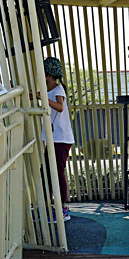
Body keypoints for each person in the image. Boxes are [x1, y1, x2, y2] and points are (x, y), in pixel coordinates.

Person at [44, 57, 75, 219]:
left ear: (48, 75)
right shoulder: (48, 90)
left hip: (61, 138)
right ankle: (50, 205)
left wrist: (42, 98)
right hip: (53, 137)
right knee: (47, 171)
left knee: (57, 171)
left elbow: (60, 107)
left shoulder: (57, 90)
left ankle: (62, 208)